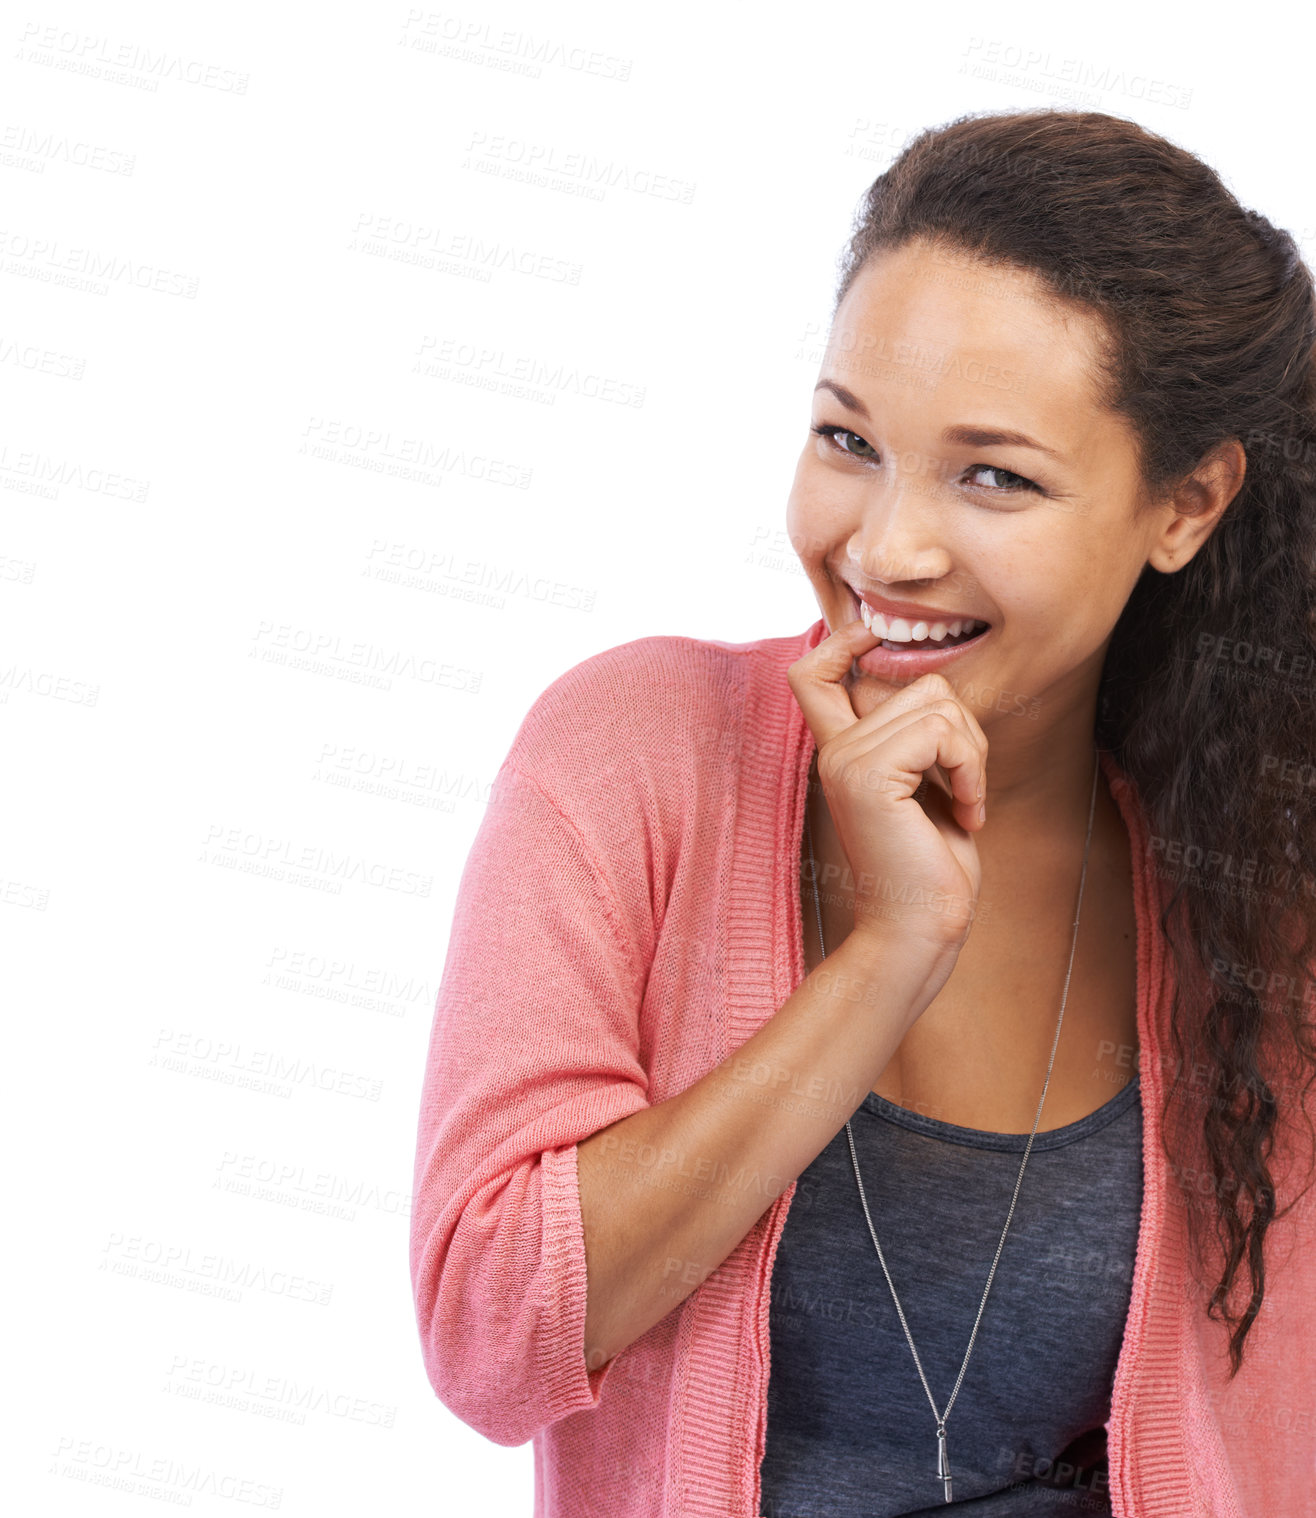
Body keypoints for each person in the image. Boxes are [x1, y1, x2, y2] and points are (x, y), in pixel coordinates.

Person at [408, 107, 1316, 1517]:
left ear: (1186, 503)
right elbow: (491, 1334)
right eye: (849, 438)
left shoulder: (1249, 857)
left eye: (995, 475)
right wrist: (890, 952)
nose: (885, 544)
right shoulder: (636, 754)